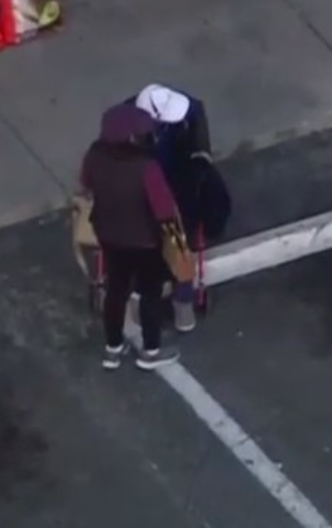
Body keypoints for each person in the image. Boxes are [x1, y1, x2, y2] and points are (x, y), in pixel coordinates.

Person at [80, 103, 182, 371]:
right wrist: (177, 246)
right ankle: (150, 350)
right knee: (150, 293)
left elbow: (86, 184)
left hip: (109, 235)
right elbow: (164, 210)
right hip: (145, 241)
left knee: (116, 289)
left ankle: (112, 348)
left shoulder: (95, 154)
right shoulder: (146, 167)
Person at [133, 83, 228, 333]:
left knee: (176, 238)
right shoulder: (127, 129)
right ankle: (176, 298)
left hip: (175, 185)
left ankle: (180, 299)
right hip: (145, 191)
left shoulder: (184, 107)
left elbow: (197, 126)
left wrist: (200, 159)